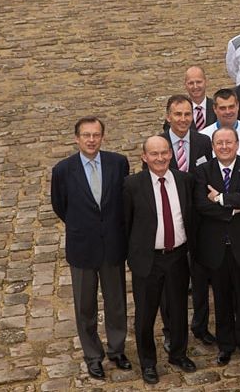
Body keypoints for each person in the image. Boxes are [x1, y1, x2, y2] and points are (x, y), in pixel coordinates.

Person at [51, 116, 131, 380]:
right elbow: (60, 206)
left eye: (96, 135)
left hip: (112, 246)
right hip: (82, 247)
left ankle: (117, 350)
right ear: (77, 138)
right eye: (86, 135)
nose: (91, 139)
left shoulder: (118, 163)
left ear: (102, 137)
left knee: (116, 302)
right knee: (85, 307)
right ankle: (93, 355)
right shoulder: (63, 170)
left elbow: (123, 201)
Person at [123, 136, 197, 384]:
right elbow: (125, 224)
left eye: (164, 152)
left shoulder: (184, 180)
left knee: (178, 311)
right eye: (154, 154)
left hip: (177, 257)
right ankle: (148, 363)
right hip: (148, 260)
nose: (160, 158)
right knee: (145, 315)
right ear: (144, 157)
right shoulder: (132, 185)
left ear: (171, 154)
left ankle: (178, 353)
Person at [193, 128, 240, 365]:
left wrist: (222, 200)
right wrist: (235, 208)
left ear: (237, 144)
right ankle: (226, 345)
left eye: (228, 142)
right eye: (219, 143)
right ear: (213, 146)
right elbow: (201, 205)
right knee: (221, 299)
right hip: (216, 249)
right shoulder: (203, 171)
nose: (224, 147)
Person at [157, 95, 214, 348]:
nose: (182, 119)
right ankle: (171, 329)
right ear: (168, 117)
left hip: (199, 222)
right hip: (170, 223)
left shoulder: (203, 143)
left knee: (200, 280)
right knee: (171, 283)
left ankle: (200, 325)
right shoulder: (158, 145)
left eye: (187, 114)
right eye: (177, 114)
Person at [183, 66, 216, 131]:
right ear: (185, 85)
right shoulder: (179, 111)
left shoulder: (217, 107)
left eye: (198, 82)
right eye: (191, 83)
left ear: (206, 82)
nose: (195, 86)